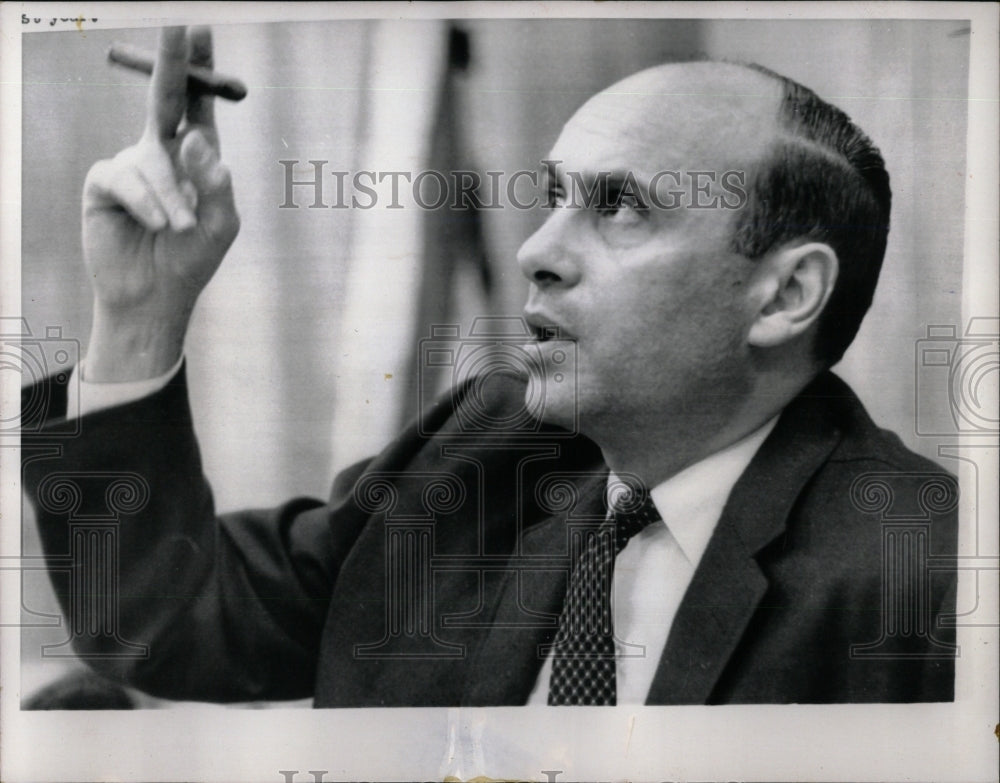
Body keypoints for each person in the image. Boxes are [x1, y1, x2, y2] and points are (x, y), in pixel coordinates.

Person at [23, 26, 957, 707]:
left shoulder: (931, 579)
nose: (534, 251)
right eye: (554, 197)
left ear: (786, 295)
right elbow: (160, 619)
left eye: (621, 207)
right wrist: (140, 314)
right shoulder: (495, 446)